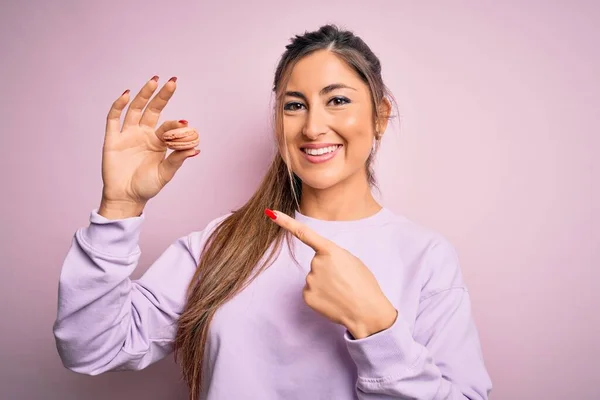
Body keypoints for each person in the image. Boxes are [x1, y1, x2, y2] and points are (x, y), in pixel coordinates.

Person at [53, 24, 492, 400]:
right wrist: (120, 207)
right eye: (294, 105)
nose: (313, 127)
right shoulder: (221, 242)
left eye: (337, 100)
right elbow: (93, 348)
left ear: (379, 116)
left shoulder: (426, 256)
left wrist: (375, 325)